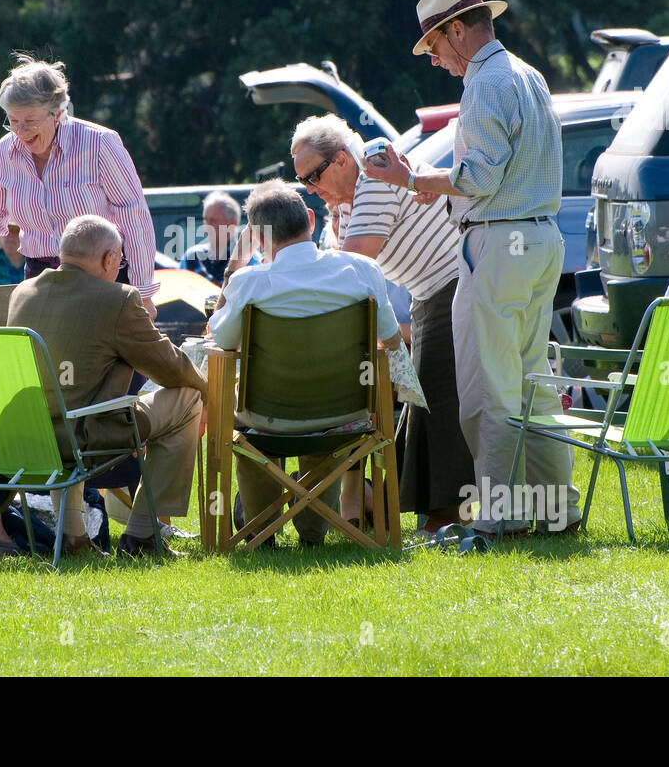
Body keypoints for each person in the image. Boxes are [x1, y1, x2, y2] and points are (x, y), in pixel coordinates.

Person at [365, 0, 581, 537]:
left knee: (488, 390)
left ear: (457, 30)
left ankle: (495, 520)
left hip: (499, 242)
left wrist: (411, 177)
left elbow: (477, 177)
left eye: (435, 47)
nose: (435, 61)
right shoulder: (528, 74)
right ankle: (559, 512)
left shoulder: (485, 83)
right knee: (533, 383)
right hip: (539, 240)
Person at [290, 114, 471, 540]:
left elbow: (353, 267)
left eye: (313, 176)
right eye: (302, 182)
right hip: (429, 292)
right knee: (420, 401)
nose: (311, 189)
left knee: (436, 403)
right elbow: (336, 271)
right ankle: (389, 503)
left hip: (451, 284)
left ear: (339, 161)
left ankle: (442, 514)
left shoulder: (373, 177)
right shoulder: (346, 201)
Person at [208, 180, 403, 547]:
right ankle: (314, 527)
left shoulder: (248, 281)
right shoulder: (362, 270)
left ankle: (260, 525)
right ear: (311, 220)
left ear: (257, 238)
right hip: (343, 414)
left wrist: (234, 267)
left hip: (267, 416)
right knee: (323, 410)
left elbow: (217, 341)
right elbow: (391, 342)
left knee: (250, 416)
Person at [7, 214, 207, 559]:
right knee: (188, 399)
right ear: (110, 258)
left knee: (64, 405)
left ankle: (73, 537)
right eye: (121, 260)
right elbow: (170, 369)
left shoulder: (22, 292)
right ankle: (143, 535)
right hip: (86, 433)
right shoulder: (119, 298)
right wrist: (210, 388)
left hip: (26, 433)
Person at [0, 55, 160, 317]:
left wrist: (142, 293)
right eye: (13, 121)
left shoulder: (100, 143)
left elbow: (134, 216)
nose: (21, 131)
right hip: (41, 277)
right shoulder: (6, 152)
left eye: (30, 121)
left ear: (58, 113)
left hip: (101, 276)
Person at [181, 191, 257, 283]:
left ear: (232, 223)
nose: (207, 226)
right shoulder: (192, 256)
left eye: (213, 221)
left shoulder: (250, 259)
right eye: (205, 220)